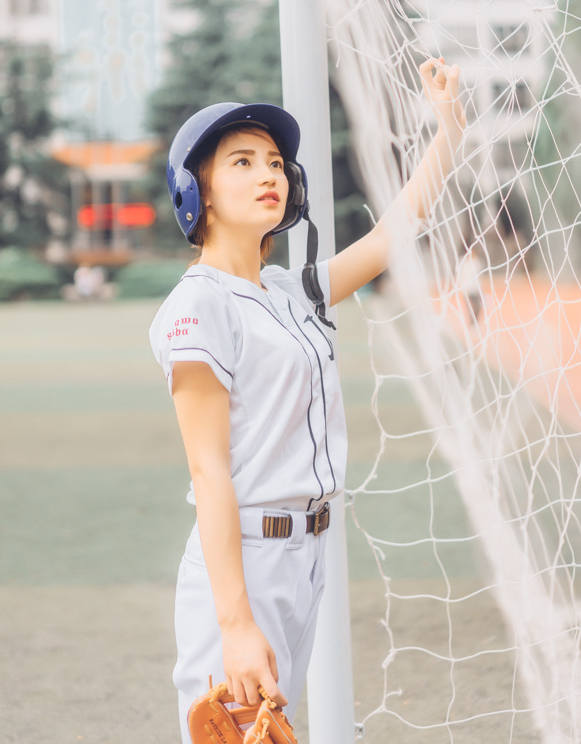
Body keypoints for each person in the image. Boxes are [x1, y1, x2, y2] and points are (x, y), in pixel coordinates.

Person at [148, 57, 466, 742]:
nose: (268, 174)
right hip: (246, 563)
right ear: (193, 191)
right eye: (240, 162)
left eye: (273, 163)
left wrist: (449, 129)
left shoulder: (291, 292)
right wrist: (235, 624)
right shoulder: (196, 305)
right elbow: (209, 472)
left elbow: (388, 238)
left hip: (307, 555)